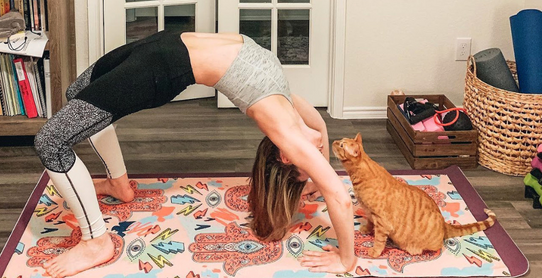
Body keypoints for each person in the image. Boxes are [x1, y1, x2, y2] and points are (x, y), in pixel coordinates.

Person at [34, 30, 357, 278]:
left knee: (51, 142)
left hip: (163, 67)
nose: (318, 156)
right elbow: (325, 154)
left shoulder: (288, 129)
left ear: (287, 157)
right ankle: (119, 185)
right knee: (78, 94)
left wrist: (346, 258)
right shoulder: (298, 116)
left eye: (309, 164)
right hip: (164, 44)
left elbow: (337, 194)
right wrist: (314, 178)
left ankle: (96, 242)